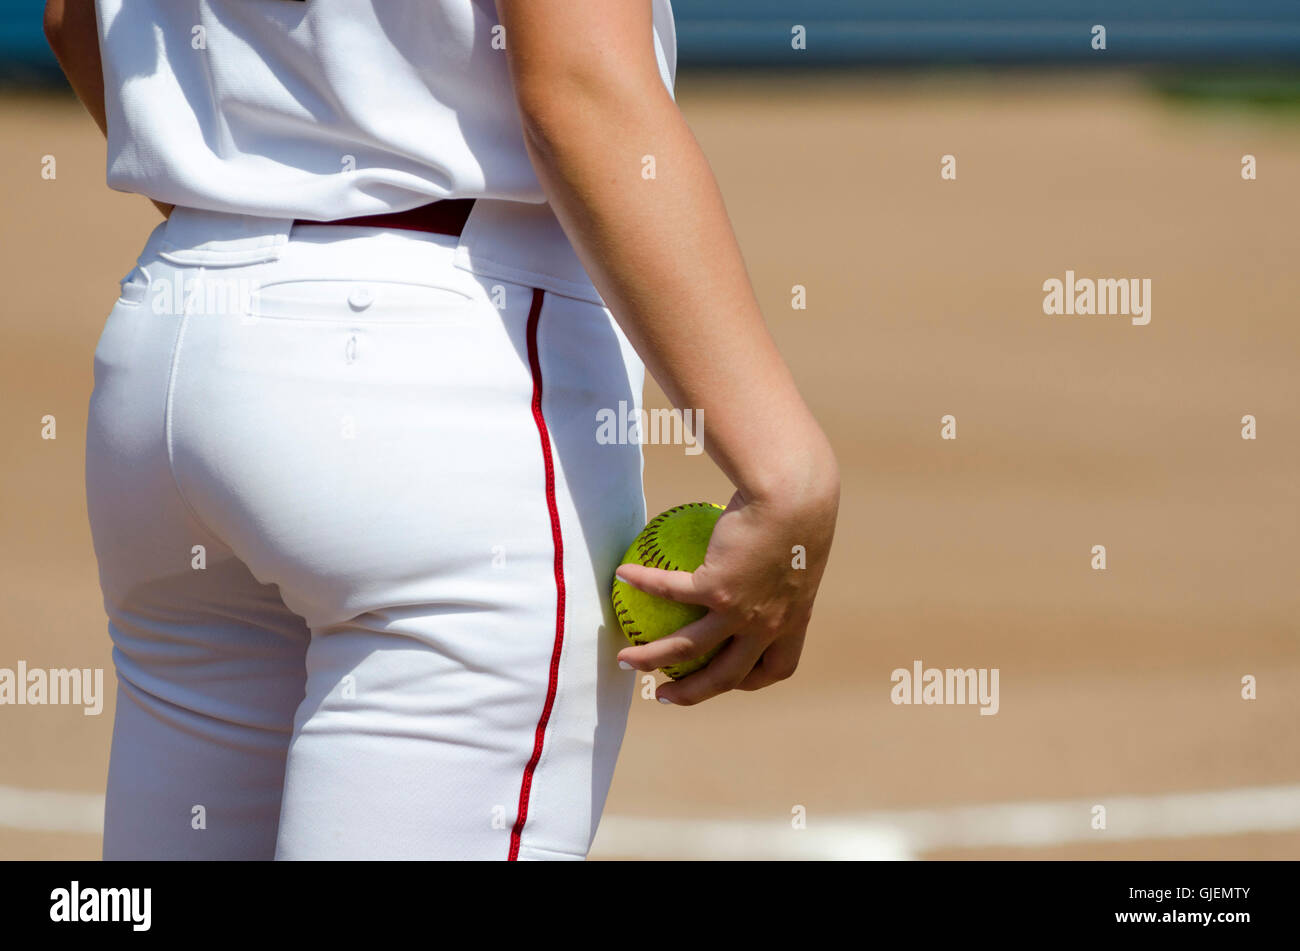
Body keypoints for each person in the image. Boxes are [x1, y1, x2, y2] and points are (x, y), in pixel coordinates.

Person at [44, 0, 839, 860]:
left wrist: (253, 221)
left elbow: (69, 20)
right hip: (447, 371)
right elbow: (578, 85)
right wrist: (785, 471)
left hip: (178, 330)